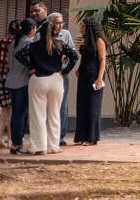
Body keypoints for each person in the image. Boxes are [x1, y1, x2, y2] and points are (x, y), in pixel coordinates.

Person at [16, 16, 79, 155]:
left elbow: (19, 55)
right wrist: (64, 71)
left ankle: (38, 147)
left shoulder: (33, 46)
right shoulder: (60, 44)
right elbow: (74, 56)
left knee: (38, 115)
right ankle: (53, 146)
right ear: (54, 32)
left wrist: (31, 66)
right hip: (56, 79)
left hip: (38, 79)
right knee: (54, 114)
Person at [74, 17, 108, 146]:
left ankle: (92, 137)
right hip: (84, 75)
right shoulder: (86, 41)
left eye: (83, 27)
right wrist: (79, 69)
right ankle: (82, 136)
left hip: (94, 76)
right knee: (82, 105)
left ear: (89, 28)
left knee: (93, 106)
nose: (81, 29)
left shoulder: (99, 41)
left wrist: (99, 78)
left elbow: (102, 60)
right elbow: (85, 58)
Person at [6, 18, 37, 154]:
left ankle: (14, 143)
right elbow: (29, 61)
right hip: (22, 81)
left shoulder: (13, 43)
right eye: (35, 29)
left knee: (15, 114)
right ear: (31, 30)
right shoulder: (29, 43)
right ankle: (18, 144)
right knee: (20, 114)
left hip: (11, 81)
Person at [47, 12, 76, 145]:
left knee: (62, 105)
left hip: (61, 74)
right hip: (46, 74)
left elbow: (73, 53)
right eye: (57, 23)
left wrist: (65, 70)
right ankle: (48, 135)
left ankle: (60, 136)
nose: (60, 25)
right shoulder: (43, 35)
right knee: (47, 105)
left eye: (61, 23)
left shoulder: (66, 34)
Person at [0, 19, 20, 151]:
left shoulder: (2, 41)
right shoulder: (18, 43)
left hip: (1, 79)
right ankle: (10, 141)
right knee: (12, 112)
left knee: (4, 112)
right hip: (12, 80)